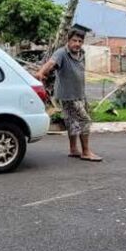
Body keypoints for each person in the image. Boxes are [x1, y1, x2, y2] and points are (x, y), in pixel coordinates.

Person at [35, 27, 103, 162]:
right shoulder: (61, 53)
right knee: (84, 120)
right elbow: (51, 63)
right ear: (68, 40)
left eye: (80, 41)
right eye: (74, 40)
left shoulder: (81, 53)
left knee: (72, 121)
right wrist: (41, 73)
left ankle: (73, 149)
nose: (77, 44)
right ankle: (86, 152)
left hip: (78, 93)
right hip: (68, 94)